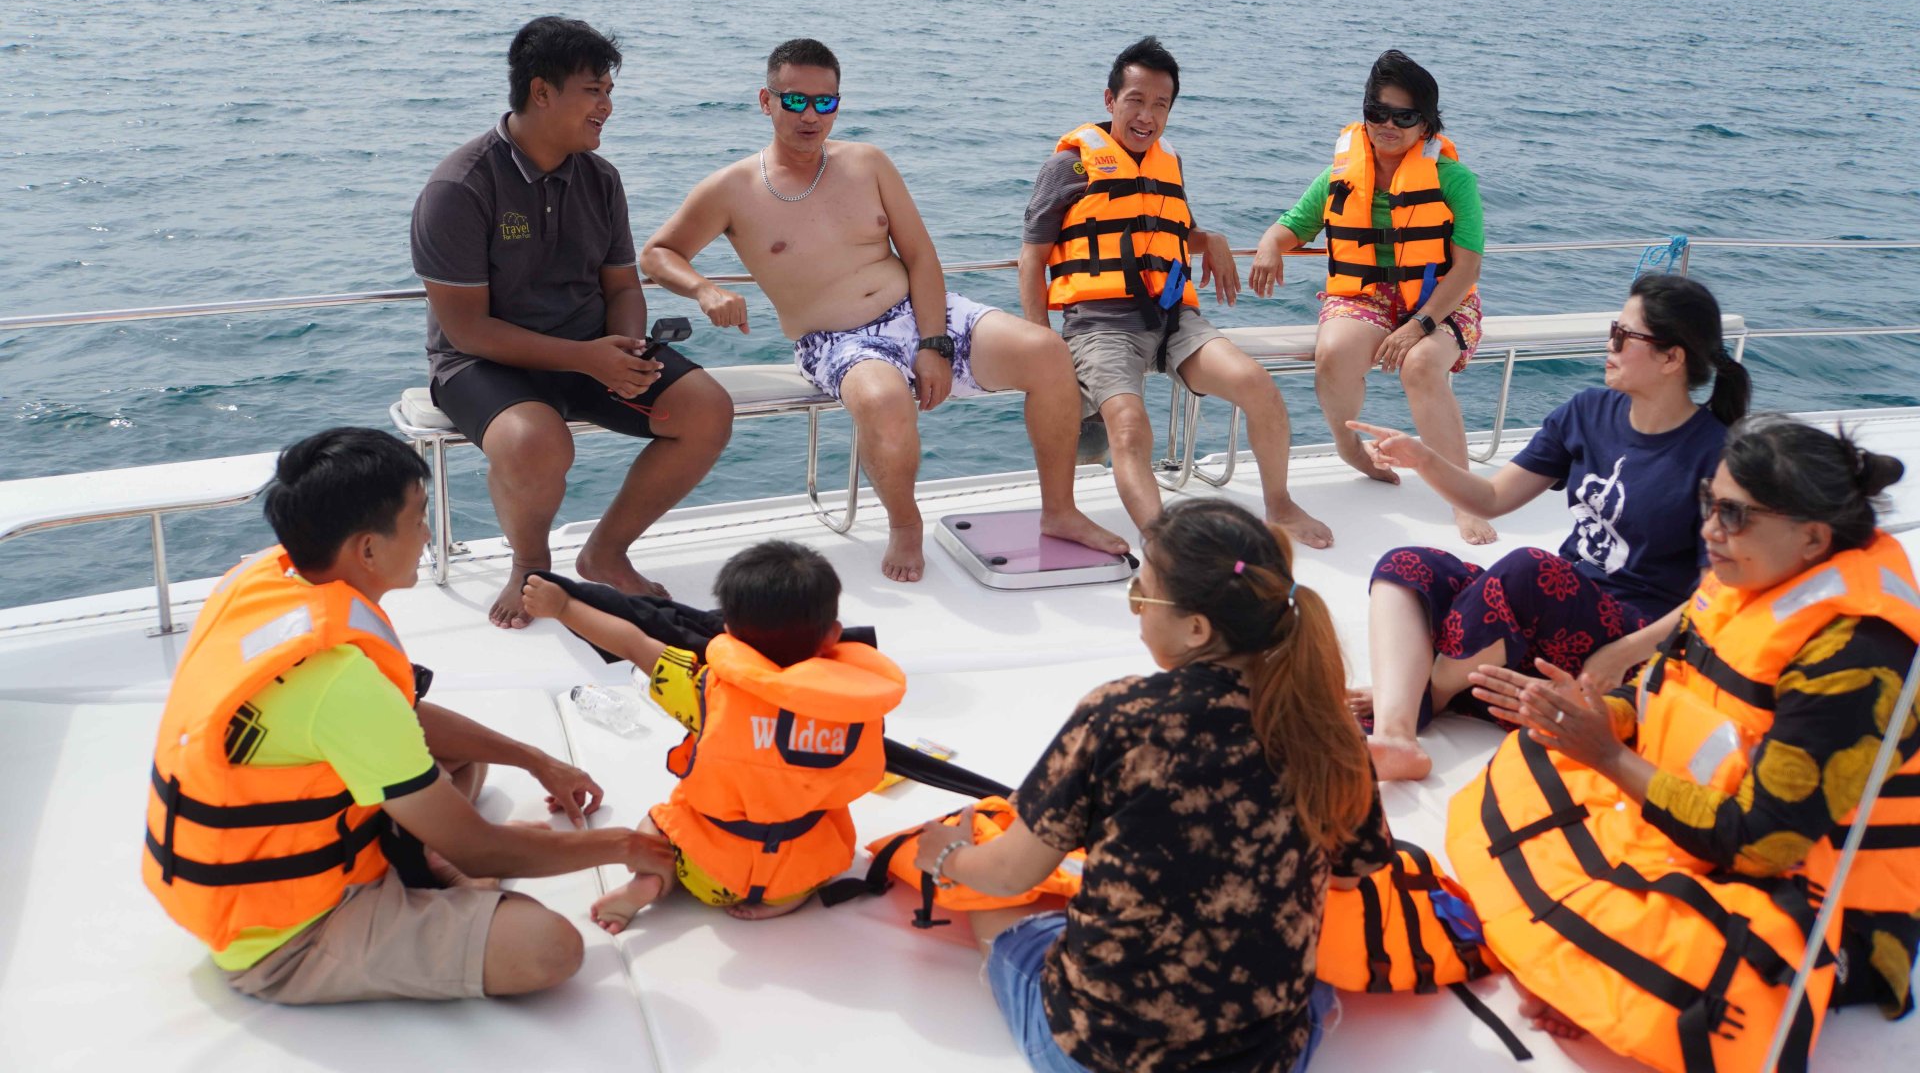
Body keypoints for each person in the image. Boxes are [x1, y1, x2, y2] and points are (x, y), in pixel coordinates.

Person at [1450, 416, 1920, 1071]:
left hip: (1805, 887)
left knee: (1708, 979)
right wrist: (1594, 716)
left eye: (1734, 514)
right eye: (1708, 503)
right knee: (1532, 752)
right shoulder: (1743, 577)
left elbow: (1762, 842)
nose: (1709, 530)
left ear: (1813, 538)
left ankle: (1586, 962)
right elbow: (1662, 687)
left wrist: (1608, 756)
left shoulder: (1856, 657)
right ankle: (1580, 957)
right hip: (1688, 815)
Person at [141, 428, 672, 1005]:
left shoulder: (266, 580)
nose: (427, 535)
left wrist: (534, 759)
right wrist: (628, 846)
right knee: (547, 946)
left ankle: (430, 862)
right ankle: (431, 872)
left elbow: (400, 718)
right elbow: (481, 848)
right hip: (283, 934)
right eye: (419, 518)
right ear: (368, 550)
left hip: (268, 857)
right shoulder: (339, 684)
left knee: (461, 755)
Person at [911, 498, 1392, 1072]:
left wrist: (947, 857)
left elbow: (1011, 873)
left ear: (1196, 628)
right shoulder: (1327, 727)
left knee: (1007, 920)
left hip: (1105, 1053)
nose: (1136, 609)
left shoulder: (1119, 715)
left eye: (1142, 595)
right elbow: (1348, 875)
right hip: (1264, 1056)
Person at [641, 38, 1126, 582]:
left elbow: (920, 256)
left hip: (918, 312)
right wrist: (705, 290)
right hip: (835, 339)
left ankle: (1060, 510)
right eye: (795, 100)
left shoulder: (866, 162)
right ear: (765, 100)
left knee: (1047, 352)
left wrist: (933, 342)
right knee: (884, 400)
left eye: (825, 102)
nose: (810, 115)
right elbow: (657, 253)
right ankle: (905, 524)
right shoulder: (731, 189)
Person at [1347, 274, 1751, 781]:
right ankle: (1396, 736)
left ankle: (1420, 694)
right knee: (1406, 565)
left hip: (1630, 638)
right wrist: (1423, 458)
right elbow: (1492, 499)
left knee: (1529, 571)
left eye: (1624, 336)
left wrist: (1620, 654)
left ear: (1672, 358)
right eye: (1612, 330)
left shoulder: (1718, 458)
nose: (1609, 345)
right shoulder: (1587, 413)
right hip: (1556, 611)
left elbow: (1721, 595)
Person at [412, 16, 735, 628]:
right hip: (482, 363)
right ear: (541, 92)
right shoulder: (460, 187)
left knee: (707, 410)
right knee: (536, 441)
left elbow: (623, 285)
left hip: (592, 352)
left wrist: (628, 350)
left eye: (609, 91)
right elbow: (466, 330)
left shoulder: (601, 179)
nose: (607, 107)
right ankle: (531, 566)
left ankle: (605, 553)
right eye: (593, 91)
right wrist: (589, 359)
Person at [1021, 37, 1332, 548]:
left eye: (1160, 104)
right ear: (1110, 100)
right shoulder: (1069, 168)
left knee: (1259, 387)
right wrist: (1041, 340)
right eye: (1135, 100)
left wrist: (1211, 239)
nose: (1147, 116)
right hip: (1100, 324)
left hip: (1173, 317)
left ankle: (1280, 504)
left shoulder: (1168, 161)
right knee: (1129, 425)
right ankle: (1165, 546)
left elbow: (1170, 230)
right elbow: (1032, 256)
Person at [520, 540, 906, 927]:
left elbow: (633, 643)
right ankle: (785, 902)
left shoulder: (704, 692)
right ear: (833, 635)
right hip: (799, 870)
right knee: (815, 841)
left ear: (728, 632)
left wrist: (563, 607)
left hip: (707, 870)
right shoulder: (859, 703)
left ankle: (656, 878)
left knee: (656, 824)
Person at [1249, 50, 1494, 545]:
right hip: (1368, 296)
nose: (1388, 125)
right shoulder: (1339, 175)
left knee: (1420, 365)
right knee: (1334, 354)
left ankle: (1462, 497)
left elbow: (1467, 268)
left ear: (1427, 123)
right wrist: (1270, 245)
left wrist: (1419, 325)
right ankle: (1350, 448)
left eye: (1403, 116)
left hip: (1441, 298)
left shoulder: (1454, 180)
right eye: (1377, 112)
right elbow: (1293, 225)